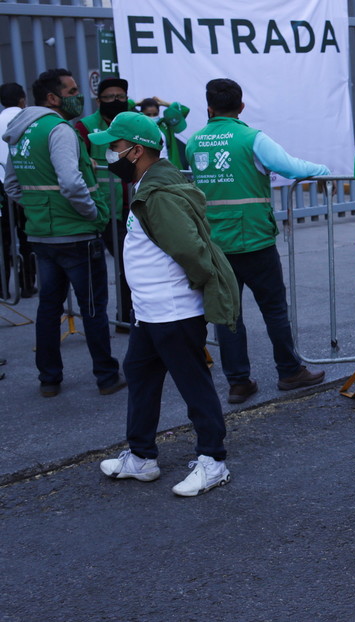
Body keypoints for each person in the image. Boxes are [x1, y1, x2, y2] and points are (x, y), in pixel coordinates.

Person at [91, 112, 238, 497]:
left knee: (193, 384)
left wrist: (193, 285)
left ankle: (213, 461)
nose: (110, 154)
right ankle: (141, 457)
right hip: (150, 311)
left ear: (135, 151)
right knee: (139, 374)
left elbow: (190, 249)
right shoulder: (149, 186)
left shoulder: (157, 195)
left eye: (115, 147)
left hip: (172, 311)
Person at [186, 78, 328, 404]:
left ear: (209, 107)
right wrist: (325, 169)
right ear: (241, 107)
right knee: (274, 309)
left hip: (216, 243)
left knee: (227, 314)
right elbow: (289, 167)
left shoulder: (195, 144)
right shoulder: (252, 138)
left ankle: (238, 382)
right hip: (254, 240)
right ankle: (290, 371)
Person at [2, 68, 124, 397]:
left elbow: (12, 185)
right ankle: (107, 376)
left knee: (48, 308)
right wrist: (94, 213)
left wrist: (40, 208)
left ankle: (49, 379)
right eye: (71, 91)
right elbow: (72, 182)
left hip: (41, 234)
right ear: (53, 98)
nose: (77, 96)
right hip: (77, 236)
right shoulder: (59, 131)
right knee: (93, 308)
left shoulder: (22, 131)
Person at [74, 77, 135, 328]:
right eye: (109, 97)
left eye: (120, 96)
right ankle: (114, 318)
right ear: (99, 100)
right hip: (102, 209)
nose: (115, 101)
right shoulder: (85, 127)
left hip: (132, 206)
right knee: (112, 265)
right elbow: (77, 161)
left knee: (130, 264)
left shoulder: (133, 121)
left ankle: (127, 317)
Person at [1, 81, 36, 299]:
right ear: (22, 99)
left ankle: (3, 288)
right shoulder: (25, 119)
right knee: (27, 237)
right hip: (22, 184)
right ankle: (27, 284)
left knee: (3, 239)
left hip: (0, 186)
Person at [137, 96, 191, 171]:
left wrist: (164, 103)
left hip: (169, 168)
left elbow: (185, 110)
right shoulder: (137, 126)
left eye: (155, 114)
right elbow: (123, 110)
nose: (152, 117)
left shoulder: (166, 124)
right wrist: (137, 103)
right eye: (148, 115)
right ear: (142, 114)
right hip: (147, 169)